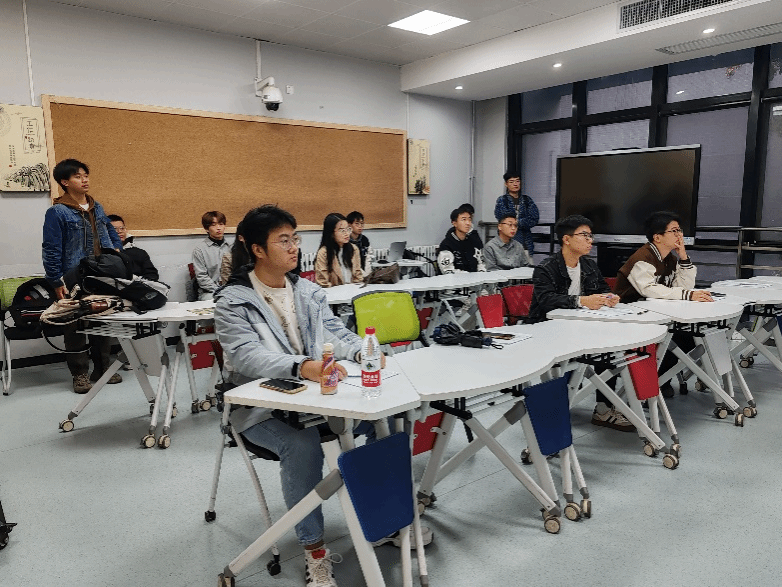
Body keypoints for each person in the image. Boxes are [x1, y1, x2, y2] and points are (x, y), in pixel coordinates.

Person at [214, 205, 425, 587]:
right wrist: (302, 366)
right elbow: (246, 355)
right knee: (303, 446)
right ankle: (314, 552)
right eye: (283, 240)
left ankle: (383, 522)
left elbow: (335, 334)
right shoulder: (233, 300)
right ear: (258, 249)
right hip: (259, 409)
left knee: (387, 422)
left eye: (295, 239)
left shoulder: (308, 291)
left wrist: (362, 351)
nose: (294, 247)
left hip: (318, 399)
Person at [527, 215, 633, 431]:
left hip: (581, 326)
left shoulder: (588, 264)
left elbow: (602, 288)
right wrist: (582, 301)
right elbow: (546, 301)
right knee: (579, 358)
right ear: (566, 239)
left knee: (608, 348)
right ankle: (554, 413)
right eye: (584, 235)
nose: (589, 240)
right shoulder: (546, 267)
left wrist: (609, 297)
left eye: (590, 236)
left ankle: (603, 409)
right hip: (549, 329)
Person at [42, 159, 123, 393]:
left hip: (100, 273)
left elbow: (110, 233)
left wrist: (116, 254)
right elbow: (51, 248)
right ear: (65, 182)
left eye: (85, 175)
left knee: (102, 321)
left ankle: (103, 369)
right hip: (72, 276)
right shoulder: (57, 212)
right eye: (78, 176)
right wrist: (55, 280)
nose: (84, 180)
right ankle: (80, 374)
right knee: (75, 327)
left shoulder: (97, 207)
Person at [613, 211, 712, 396]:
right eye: (674, 231)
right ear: (657, 237)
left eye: (679, 230)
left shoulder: (669, 259)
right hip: (629, 318)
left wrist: (683, 257)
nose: (679, 235)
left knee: (691, 336)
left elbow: (683, 287)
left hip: (656, 315)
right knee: (679, 337)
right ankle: (652, 383)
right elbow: (649, 290)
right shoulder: (642, 258)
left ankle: (661, 378)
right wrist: (688, 295)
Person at [494, 171, 539, 259]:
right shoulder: (502, 200)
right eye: (511, 182)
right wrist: (518, 222)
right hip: (506, 243)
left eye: (517, 181)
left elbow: (534, 218)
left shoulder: (527, 200)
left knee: (527, 265)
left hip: (525, 242)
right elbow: (502, 218)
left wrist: (518, 222)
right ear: (506, 184)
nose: (515, 184)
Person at [315, 213, 363, 287]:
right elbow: (322, 282)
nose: (347, 233)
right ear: (331, 233)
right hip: (334, 292)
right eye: (342, 230)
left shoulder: (354, 249)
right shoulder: (324, 252)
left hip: (353, 290)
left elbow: (358, 277)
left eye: (348, 229)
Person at [192, 211, 231, 300]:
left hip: (230, 289)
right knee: (216, 301)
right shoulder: (200, 250)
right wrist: (219, 291)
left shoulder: (231, 247)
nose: (218, 228)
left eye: (221, 224)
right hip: (210, 292)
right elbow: (202, 277)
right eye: (213, 225)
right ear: (207, 229)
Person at [107, 214, 159, 281]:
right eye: (114, 229)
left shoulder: (139, 253)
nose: (119, 231)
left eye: (122, 228)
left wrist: (137, 280)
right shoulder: (102, 254)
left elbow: (152, 275)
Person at [437, 203, 485, 273]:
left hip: (475, 278)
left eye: (469, 220)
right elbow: (448, 271)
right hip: (456, 279)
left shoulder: (473, 241)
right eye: (463, 219)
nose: (468, 223)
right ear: (454, 223)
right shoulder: (446, 245)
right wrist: (469, 276)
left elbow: (481, 263)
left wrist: (481, 273)